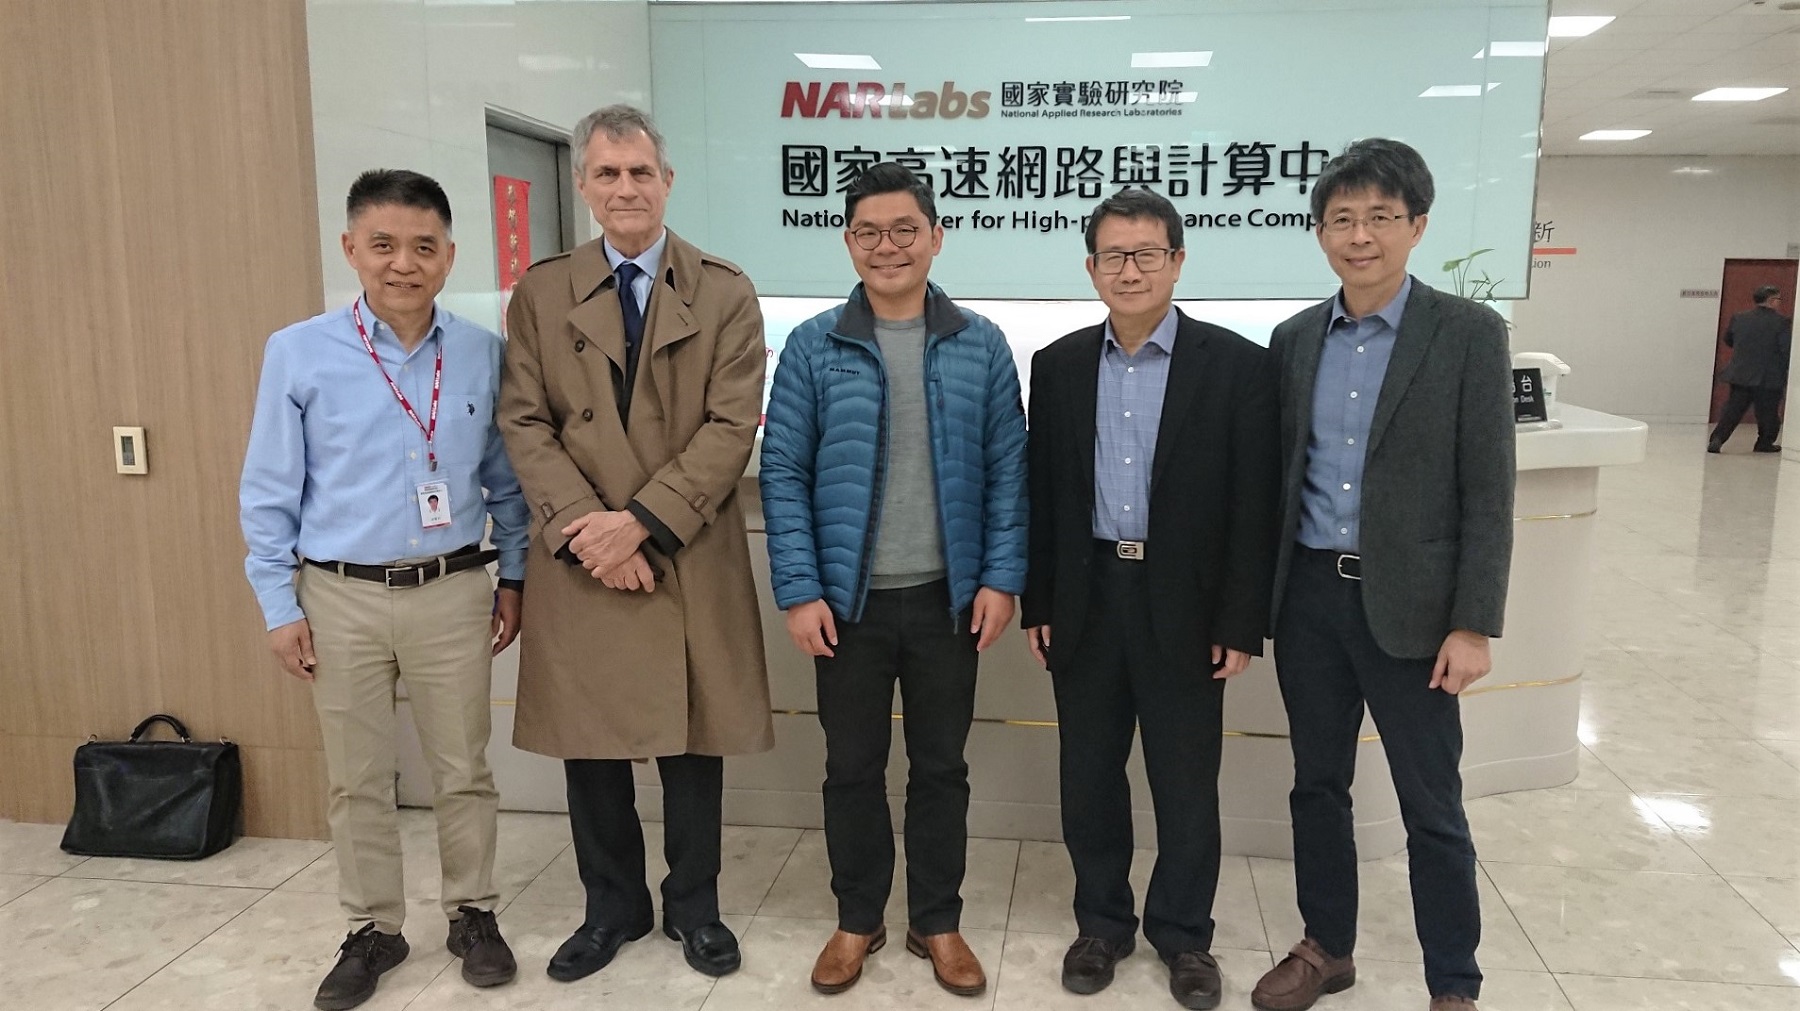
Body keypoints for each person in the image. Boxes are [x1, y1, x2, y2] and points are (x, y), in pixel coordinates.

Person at [240, 169, 528, 1011]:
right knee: (357, 774)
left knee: (463, 767)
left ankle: (472, 911)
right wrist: (278, 605)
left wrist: (514, 575)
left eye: (423, 247)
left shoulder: (482, 351)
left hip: (452, 589)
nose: (404, 263)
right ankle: (374, 926)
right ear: (351, 249)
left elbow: (504, 483)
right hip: (340, 594)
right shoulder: (298, 350)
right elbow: (268, 490)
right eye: (384, 245)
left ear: (448, 255)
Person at [497, 104, 771, 983]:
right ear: (582, 184)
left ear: (668, 181)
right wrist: (591, 531)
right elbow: (524, 421)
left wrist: (640, 525)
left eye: (640, 172)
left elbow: (732, 428)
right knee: (593, 744)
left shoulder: (724, 290)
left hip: (681, 549)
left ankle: (696, 907)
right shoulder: (540, 292)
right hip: (582, 556)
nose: (625, 188)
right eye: (607, 174)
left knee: (694, 744)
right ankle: (611, 906)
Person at [1251, 139, 1514, 1011]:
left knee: (1431, 804)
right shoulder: (1293, 339)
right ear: (1320, 230)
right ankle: (1327, 946)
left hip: (1416, 608)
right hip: (1312, 598)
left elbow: (1489, 488)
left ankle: (1454, 983)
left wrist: (1473, 620)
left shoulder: (1469, 334)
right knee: (1317, 783)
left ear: (1417, 226)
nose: (1360, 236)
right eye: (1342, 219)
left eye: (1380, 218)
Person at [760, 162, 1028, 998]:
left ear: (936, 236)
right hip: (848, 604)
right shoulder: (814, 344)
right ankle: (858, 916)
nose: (888, 247)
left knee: (942, 765)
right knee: (852, 765)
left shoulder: (979, 342)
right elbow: (783, 471)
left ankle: (937, 920)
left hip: (950, 600)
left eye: (904, 229)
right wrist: (800, 589)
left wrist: (1001, 578)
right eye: (869, 232)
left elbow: (1008, 470)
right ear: (848, 242)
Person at [1020, 188, 1279, 1010]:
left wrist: (1241, 620)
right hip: (1089, 595)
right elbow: (1044, 495)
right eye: (1112, 256)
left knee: (1184, 780)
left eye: (1147, 254)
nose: (1128, 270)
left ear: (1177, 260)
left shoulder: (1238, 366)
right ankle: (1101, 922)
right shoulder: (1057, 366)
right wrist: (1040, 601)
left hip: (1189, 607)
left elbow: (1254, 504)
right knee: (1089, 773)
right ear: (1090, 265)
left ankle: (1184, 934)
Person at [1708, 284, 1792, 454]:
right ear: (1771, 300)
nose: (1779, 302)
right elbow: (1785, 349)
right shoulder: (1781, 322)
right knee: (1768, 413)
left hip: (1741, 374)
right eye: (1778, 299)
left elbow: (1729, 339)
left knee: (1733, 410)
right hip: (1769, 376)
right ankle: (1764, 443)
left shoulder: (1739, 318)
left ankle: (1717, 439)